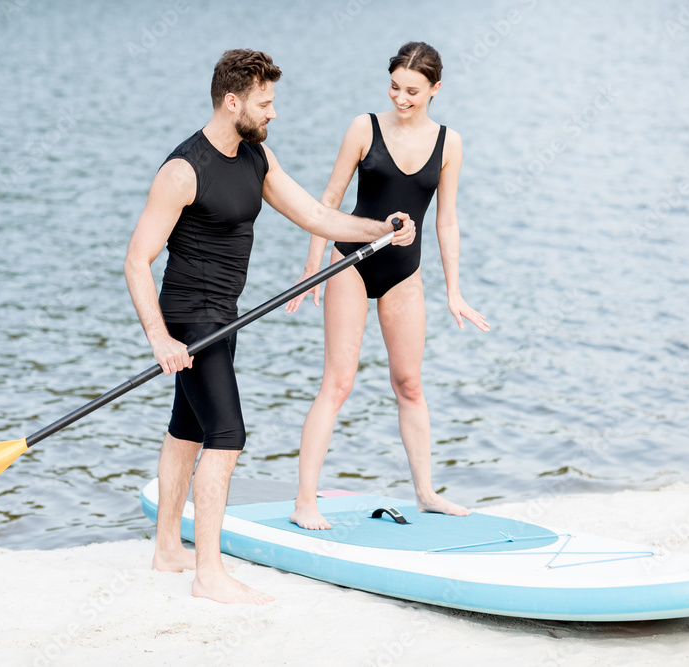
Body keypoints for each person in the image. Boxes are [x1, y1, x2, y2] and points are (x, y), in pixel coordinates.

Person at [124, 49, 415, 604]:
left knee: (187, 428)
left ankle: (167, 548)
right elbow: (137, 260)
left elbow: (314, 215)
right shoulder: (183, 170)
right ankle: (208, 575)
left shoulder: (256, 157)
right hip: (191, 318)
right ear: (232, 101)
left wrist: (380, 228)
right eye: (265, 102)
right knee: (226, 435)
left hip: (223, 316)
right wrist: (161, 337)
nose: (272, 113)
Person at [286, 42, 489, 531]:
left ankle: (425, 493)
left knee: (410, 385)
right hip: (352, 263)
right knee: (338, 383)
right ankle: (304, 501)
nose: (401, 98)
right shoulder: (364, 127)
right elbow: (329, 201)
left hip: (405, 272)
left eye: (413, 91)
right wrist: (313, 268)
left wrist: (454, 291)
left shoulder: (450, 143)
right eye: (395, 87)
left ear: (436, 89)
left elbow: (446, 222)